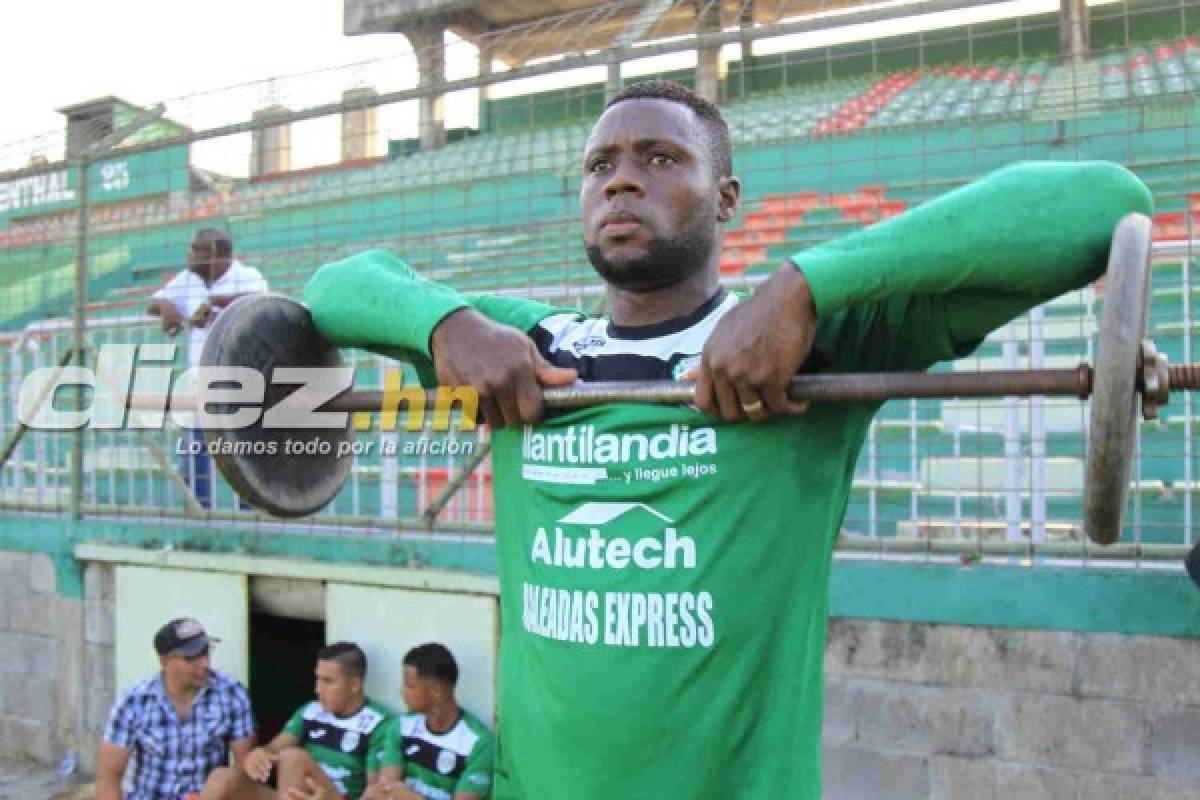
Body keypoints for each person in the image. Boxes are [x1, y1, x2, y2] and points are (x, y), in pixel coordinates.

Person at [301, 80, 1152, 798]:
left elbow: (1103, 202)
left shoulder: (818, 343)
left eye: (660, 160)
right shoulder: (532, 349)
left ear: (729, 199)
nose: (622, 182)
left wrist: (805, 286)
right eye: (601, 166)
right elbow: (336, 287)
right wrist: (448, 322)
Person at [147, 228, 268, 508]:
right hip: (202, 384)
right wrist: (167, 307)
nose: (189, 256)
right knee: (195, 456)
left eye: (197, 250)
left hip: (241, 384)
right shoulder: (188, 279)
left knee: (245, 458)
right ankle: (198, 518)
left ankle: (252, 524)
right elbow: (153, 303)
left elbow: (260, 301)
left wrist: (213, 303)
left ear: (217, 256)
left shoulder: (245, 275)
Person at [201, 642, 391, 800]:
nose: (318, 689)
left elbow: (377, 793)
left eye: (328, 681)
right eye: (317, 679)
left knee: (293, 758)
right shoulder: (311, 711)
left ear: (355, 685)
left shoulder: (379, 723)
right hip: (294, 794)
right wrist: (260, 756)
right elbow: (275, 749)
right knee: (221, 779)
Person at [97, 617, 256, 800]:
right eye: (191, 658)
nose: (204, 664)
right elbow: (109, 779)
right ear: (164, 662)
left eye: (206, 653)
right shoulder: (133, 703)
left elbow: (246, 770)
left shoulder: (232, 694)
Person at [367, 643, 494, 800]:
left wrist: (413, 798)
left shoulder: (478, 743)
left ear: (436, 691)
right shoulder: (401, 727)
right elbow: (387, 789)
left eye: (410, 685)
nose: (401, 691)